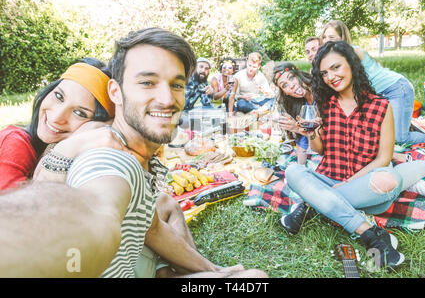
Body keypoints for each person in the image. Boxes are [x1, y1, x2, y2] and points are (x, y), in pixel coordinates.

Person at [34, 28, 268, 278]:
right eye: (147, 83)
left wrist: (216, 271)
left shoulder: (135, 149)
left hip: (137, 262)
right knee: (254, 279)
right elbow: (104, 197)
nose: (167, 99)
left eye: (177, 84)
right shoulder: (109, 158)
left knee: (167, 207)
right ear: (115, 92)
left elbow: (153, 228)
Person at [281, 41, 425, 269]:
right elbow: (321, 150)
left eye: (336, 67)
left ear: (351, 63)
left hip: (367, 186)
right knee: (293, 171)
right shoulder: (325, 104)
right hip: (330, 177)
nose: (330, 76)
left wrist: (349, 183)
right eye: (324, 73)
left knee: (387, 179)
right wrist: (308, 133)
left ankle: (314, 203)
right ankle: (370, 235)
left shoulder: (381, 106)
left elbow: (384, 158)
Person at [320, 20, 425, 144]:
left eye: (331, 37)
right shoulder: (333, 59)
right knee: (380, 135)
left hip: (397, 89)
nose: (326, 41)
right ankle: (406, 124)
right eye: (324, 37)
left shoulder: (351, 52)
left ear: (342, 38)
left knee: (399, 138)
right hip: (379, 96)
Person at [0, 57, 113, 191]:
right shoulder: (15, 143)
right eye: (59, 96)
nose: (56, 117)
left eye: (79, 113)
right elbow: (12, 209)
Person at [272, 62, 315, 164]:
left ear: (298, 74)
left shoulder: (321, 94)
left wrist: (297, 128)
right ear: (285, 93)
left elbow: (324, 141)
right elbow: (303, 141)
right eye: (285, 85)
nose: (291, 85)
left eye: (291, 78)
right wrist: (300, 168)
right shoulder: (301, 105)